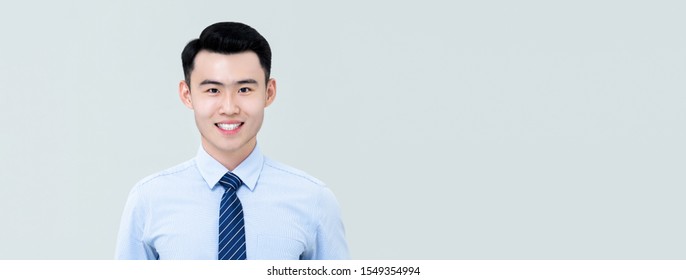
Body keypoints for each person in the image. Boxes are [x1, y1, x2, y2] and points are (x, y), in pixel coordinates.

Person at [115, 22, 349, 260]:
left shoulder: (313, 200)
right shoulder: (149, 201)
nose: (229, 108)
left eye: (245, 89)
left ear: (269, 92)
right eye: (213, 90)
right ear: (187, 95)